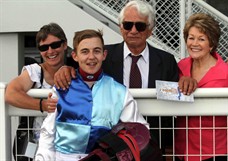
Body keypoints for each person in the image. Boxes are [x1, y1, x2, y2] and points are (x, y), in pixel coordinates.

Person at [52, 0, 197, 159]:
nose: (133, 30)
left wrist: (186, 81)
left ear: (150, 30)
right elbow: (84, 69)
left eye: (140, 26)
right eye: (128, 25)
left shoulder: (166, 60)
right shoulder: (103, 55)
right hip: (108, 145)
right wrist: (65, 69)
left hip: (149, 144)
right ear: (121, 28)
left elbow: (176, 93)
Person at [34, 29, 149, 161]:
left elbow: (140, 130)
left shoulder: (119, 91)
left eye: (96, 51)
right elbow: (48, 133)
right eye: (85, 51)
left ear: (104, 54)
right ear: (75, 56)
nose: (91, 57)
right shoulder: (61, 86)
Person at [5, 22, 67, 160]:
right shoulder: (34, 71)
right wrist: (42, 105)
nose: (50, 51)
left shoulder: (73, 71)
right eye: (44, 47)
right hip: (37, 145)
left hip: (66, 146)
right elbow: (10, 93)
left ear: (64, 45)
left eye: (55, 45)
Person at [175, 13, 228, 161]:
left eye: (201, 39)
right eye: (191, 37)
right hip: (182, 150)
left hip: (214, 152)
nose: (194, 43)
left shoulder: (226, 73)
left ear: (211, 43)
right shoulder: (180, 67)